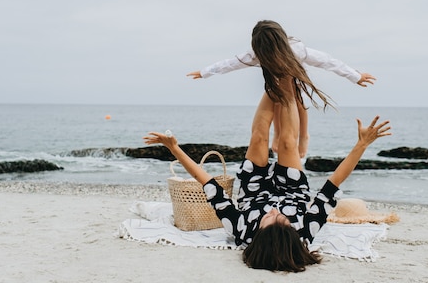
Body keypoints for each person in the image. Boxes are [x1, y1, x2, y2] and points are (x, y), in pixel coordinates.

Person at [143, 90, 391, 272]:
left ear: (258, 236)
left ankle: (272, 80)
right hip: (293, 190)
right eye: (283, 219)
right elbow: (332, 184)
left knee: (260, 139)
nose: (274, 211)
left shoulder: (240, 229)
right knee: (286, 142)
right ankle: (285, 80)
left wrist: (174, 148)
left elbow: (208, 183)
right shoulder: (303, 233)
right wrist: (362, 145)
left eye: (269, 219)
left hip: (253, 191)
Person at [187, 20, 375, 158]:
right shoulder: (255, 55)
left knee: (297, 103)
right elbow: (229, 64)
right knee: (277, 100)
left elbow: (328, 62)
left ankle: (304, 136)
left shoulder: (297, 50)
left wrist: (355, 76)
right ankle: (277, 133)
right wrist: (204, 72)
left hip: (293, 78)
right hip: (275, 82)